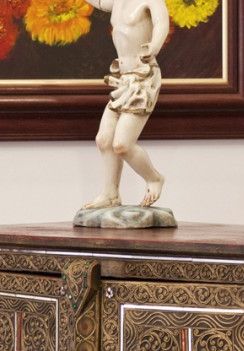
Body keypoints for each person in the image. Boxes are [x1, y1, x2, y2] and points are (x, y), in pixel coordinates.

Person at [82, 0, 170, 209]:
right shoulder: (117, 2)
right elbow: (99, 2)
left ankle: (154, 178)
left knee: (122, 144)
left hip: (143, 78)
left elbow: (161, 23)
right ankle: (110, 194)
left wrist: (155, 45)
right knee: (104, 139)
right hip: (123, 79)